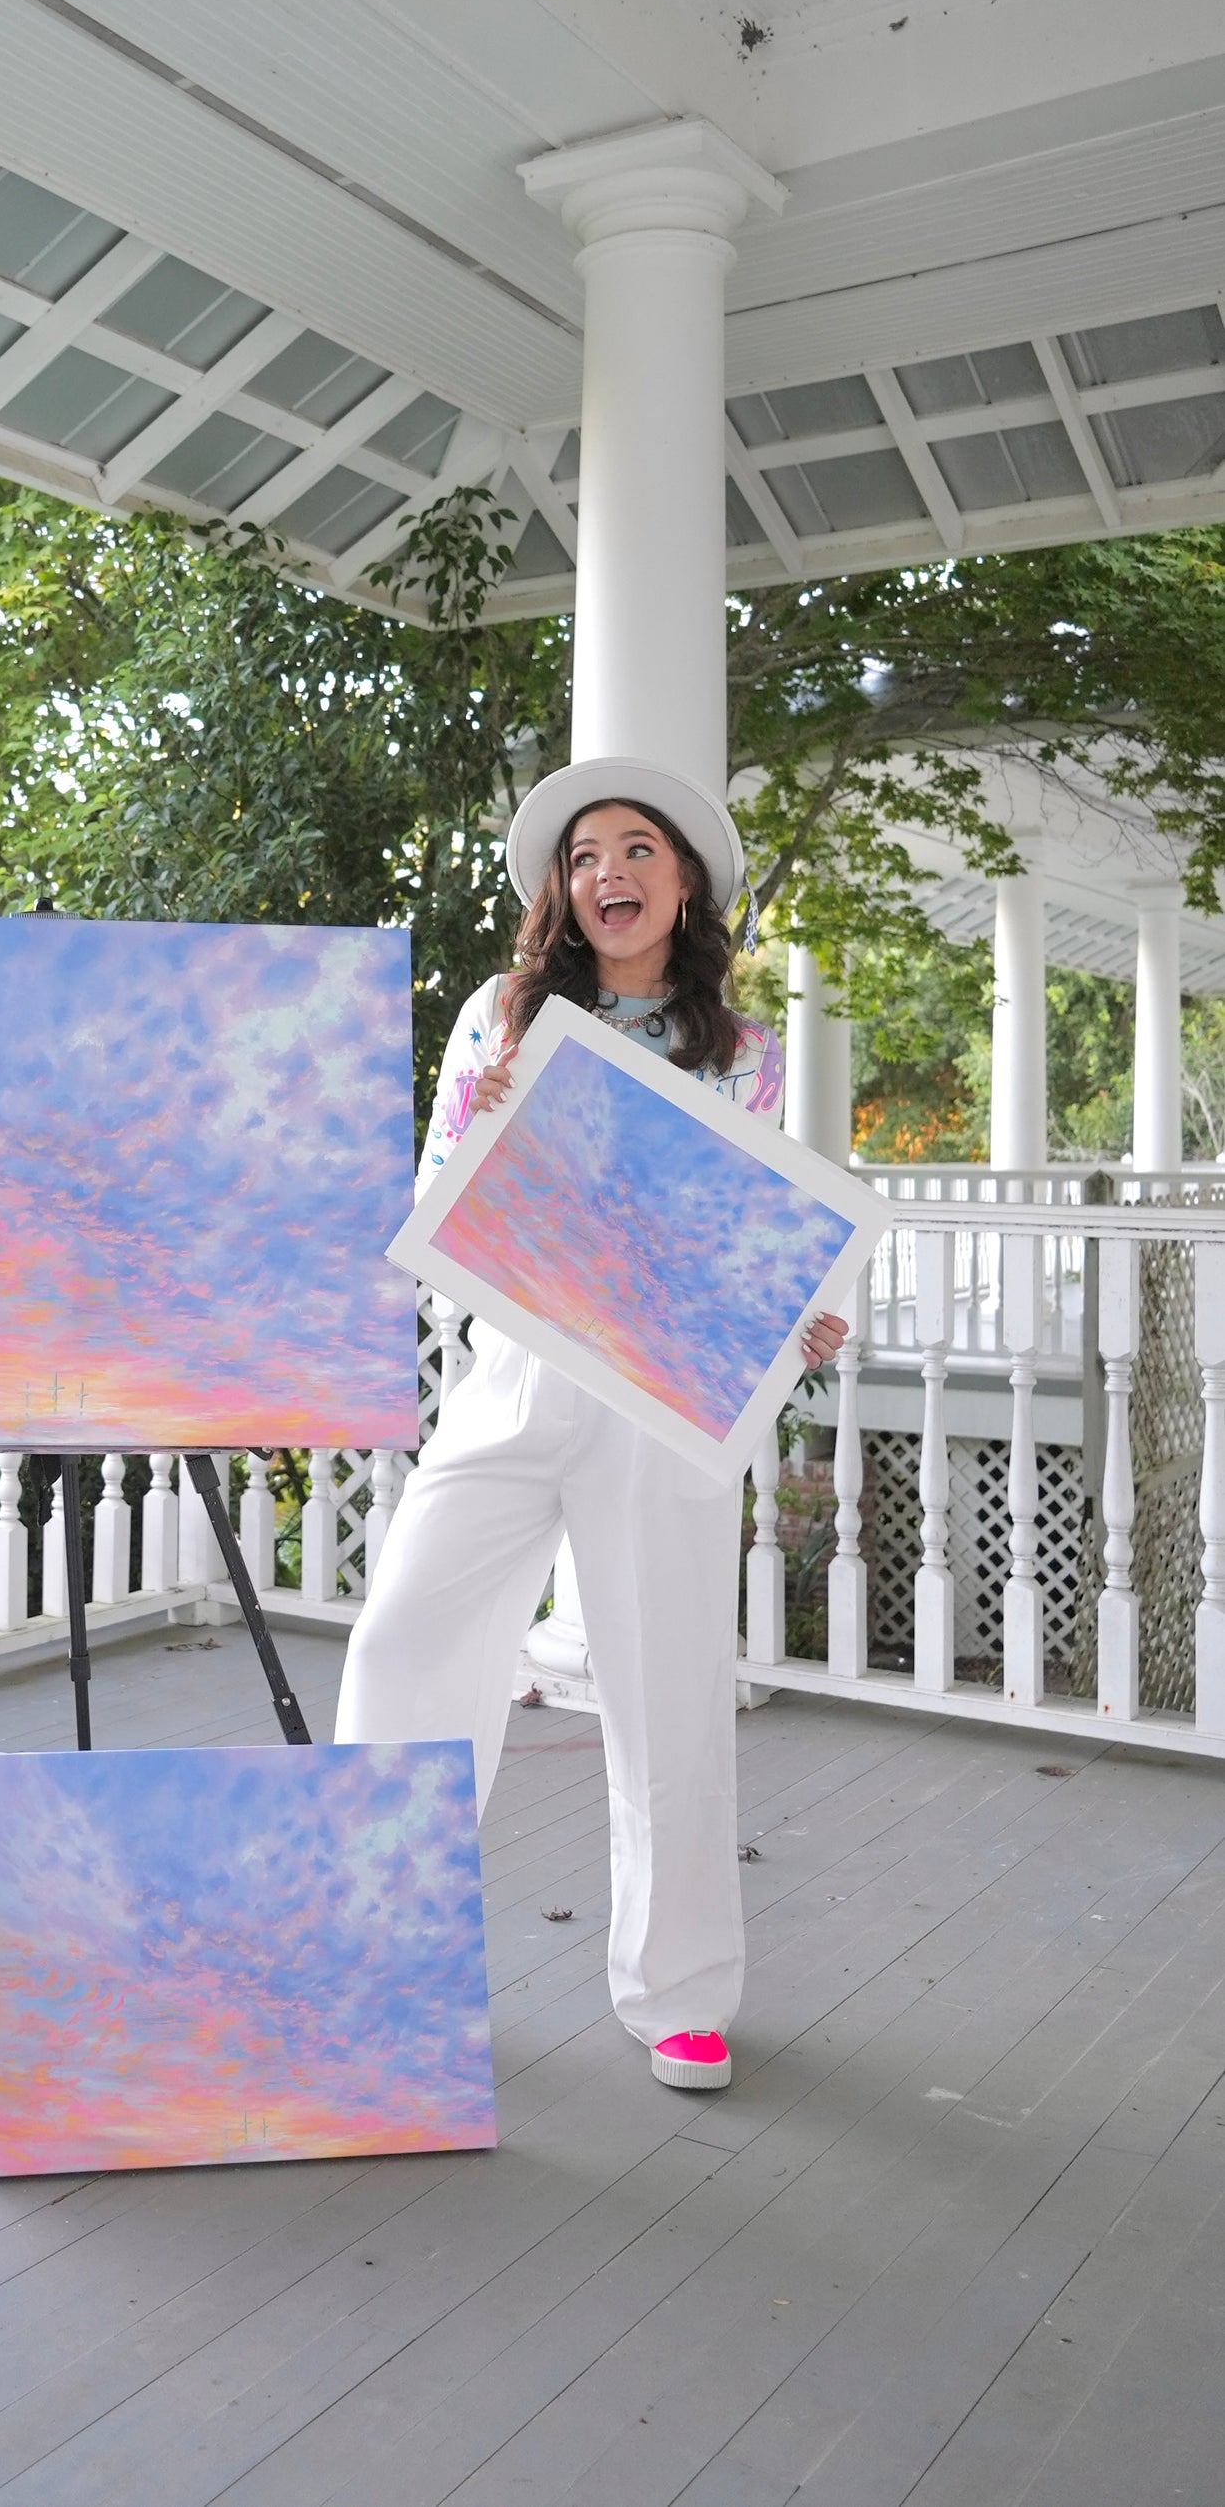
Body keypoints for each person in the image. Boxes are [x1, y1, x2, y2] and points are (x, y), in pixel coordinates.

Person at [335, 754, 847, 2092]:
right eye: (581, 857)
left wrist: (800, 1320)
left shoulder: (743, 1057)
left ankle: (677, 1994)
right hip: (508, 1377)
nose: (604, 874)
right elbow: (430, 1214)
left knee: (666, 1694)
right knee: (402, 1640)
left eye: (633, 850)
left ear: (682, 883)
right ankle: (377, 1958)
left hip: (659, 1406)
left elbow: (735, 1243)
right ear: (560, 891)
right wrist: (482, 1130)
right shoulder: (496, 1018)